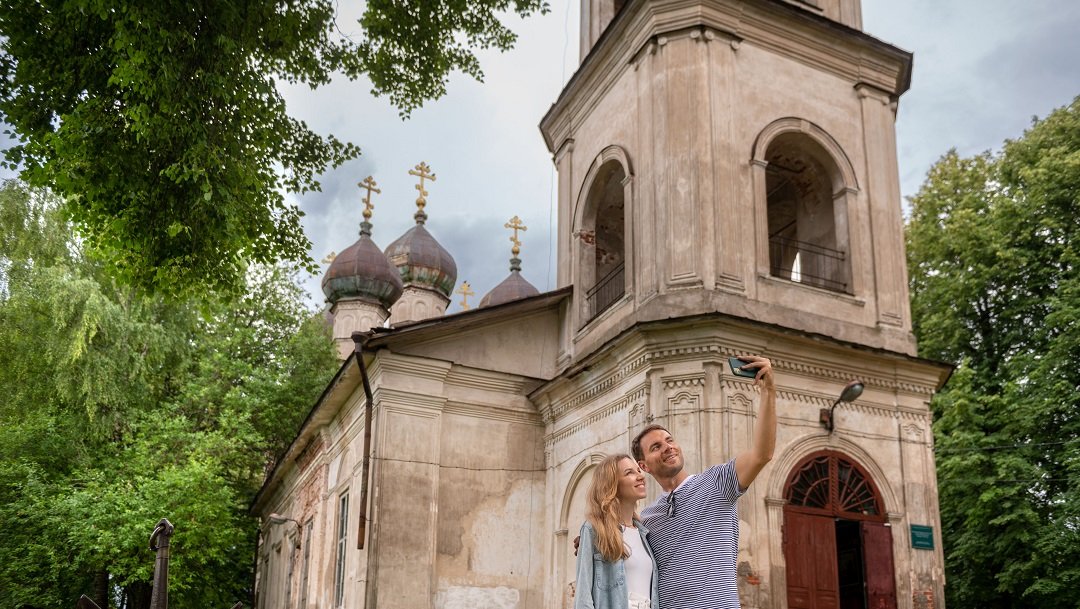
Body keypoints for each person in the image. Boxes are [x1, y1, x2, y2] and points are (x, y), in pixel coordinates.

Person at [633, 354, 776, 609]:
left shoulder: (717, 482)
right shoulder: (647, 519)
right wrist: (590, 540)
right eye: (656, 446)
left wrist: (768, 392)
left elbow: (761, 454)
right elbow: (622, 549)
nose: (668, 447)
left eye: (669, 440)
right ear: (643, 466)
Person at [574, 453, 660, 609]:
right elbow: (583, 597)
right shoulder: (594, 530)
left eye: (638, 471)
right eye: (629, 473)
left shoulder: (645, 533)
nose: (640, 476)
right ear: (612, 484)